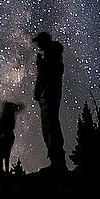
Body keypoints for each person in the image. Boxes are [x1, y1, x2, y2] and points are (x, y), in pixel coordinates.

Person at [32, 31, 67, 172]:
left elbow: (47, 74)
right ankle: (57, 161)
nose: (38, 45)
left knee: (50, 125)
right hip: (51, 93)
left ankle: (57, 163)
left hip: (49, 94)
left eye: (39, 42)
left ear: (44, 41)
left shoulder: (51, 55)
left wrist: (40, 65)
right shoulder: (53, 54)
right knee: (51, 125)